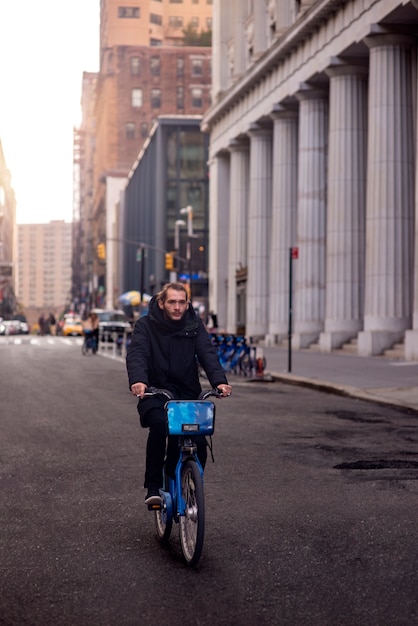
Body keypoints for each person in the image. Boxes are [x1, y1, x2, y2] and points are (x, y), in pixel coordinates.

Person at [126, 282, 232, 506]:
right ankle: (154, 487)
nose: (177, 307)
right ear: (162, 303)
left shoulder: (194, 325)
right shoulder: (146, 325)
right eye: (172, 302)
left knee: (200, 442)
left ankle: (190, 483)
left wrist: (220, 382)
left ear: (187, 304)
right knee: (160, 427)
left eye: (181, 302)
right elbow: (138, 353)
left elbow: (207, 353)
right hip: (155, 393)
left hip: (187, 394)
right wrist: (138, 380)